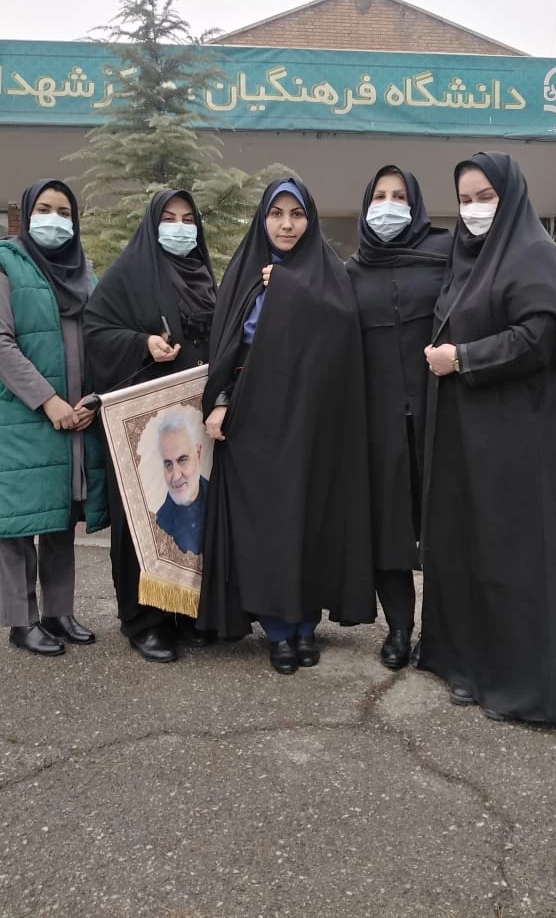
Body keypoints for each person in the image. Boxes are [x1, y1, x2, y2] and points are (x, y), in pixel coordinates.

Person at [418, 151, 556, 724]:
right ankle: (471, 668)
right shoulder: (467, 259)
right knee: (472, 550)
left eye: (486, 197)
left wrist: (462, 357)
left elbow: (539, 337)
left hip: (517, 441)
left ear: (512, 197)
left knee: (515, 558)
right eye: (465, 200)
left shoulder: (535, 255)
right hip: (469, 439)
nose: (474, 210)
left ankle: (526, 683)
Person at [199, 178, 376, 674]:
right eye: (276, 214)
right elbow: (229, 348)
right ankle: (278, 629)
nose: (286, 224)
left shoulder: (329, 273)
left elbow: (341, 331)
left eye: (296, 214)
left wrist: (290, 289)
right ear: (262, 219)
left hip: (314, 421)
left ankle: (305, 625)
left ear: (309, 219)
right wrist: (220, 402)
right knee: (268, 523)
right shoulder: (245, 272)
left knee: (309, 517)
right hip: (255, 419)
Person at [84, 189, 216, 662]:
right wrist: (143, 343)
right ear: (151, 224)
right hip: (145, 421)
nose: (180, 228)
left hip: (193, 420)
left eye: (188, 219)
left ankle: (188, 611)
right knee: (145, 515)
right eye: (169, 218)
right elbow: (95, 331)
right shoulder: (129, 274)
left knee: (193, 513)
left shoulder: (203, 275)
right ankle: (144, 621)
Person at [0, 179, 108, 655]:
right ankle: (22, 621)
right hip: (26, 416)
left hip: (76, 416)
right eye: (45, 209)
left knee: (60, 516)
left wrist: (92, 400)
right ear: (28, 214)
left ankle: (58, 612)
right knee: (17, 522)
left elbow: (101, 337)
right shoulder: (3, 263)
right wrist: (48, 401)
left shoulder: (84, 272)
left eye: (64, 212)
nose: (55, 220)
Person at [346, 165, 453, 670]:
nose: (388, 205)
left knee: (445, 521)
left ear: (415, 205)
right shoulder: (352, 269)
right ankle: (399, 629)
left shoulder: (446, 254)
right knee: (387, 524)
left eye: (399, 196)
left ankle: (444, 629)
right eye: (379, 196)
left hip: (440, 411)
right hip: (376, 418)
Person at [155, 409, 208, 555]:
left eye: (182, 460)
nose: (176, 476)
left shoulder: (221, 501)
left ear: (198, 454)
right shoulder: (159, 524)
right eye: (168, 464)